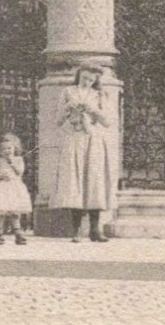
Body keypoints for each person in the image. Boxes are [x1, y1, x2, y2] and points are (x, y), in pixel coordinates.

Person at [50, 64, 118, 242]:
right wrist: (68, 107)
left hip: (93, 140)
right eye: (84, 78)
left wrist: (91, 109)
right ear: (79, 75)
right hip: (74, 139)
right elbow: (57, 120)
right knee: (75, 182)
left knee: (94, 182)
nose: (87, 82)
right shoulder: (68, 91)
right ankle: (76, 230)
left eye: (91, 79)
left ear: (96, 80)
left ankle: (95, 229)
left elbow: (108, 121)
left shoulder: (99, 94)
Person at [0, 134, 32, 245]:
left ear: (15, 148)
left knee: (15, 212)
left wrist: (12, 163)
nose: (7, 151)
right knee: (1, 212)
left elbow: (20, 172)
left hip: (15, 188)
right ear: (0, 151)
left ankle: (18, 234)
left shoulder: (19, 160)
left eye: (9, 148)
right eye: (4, 149)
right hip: (2, 188)